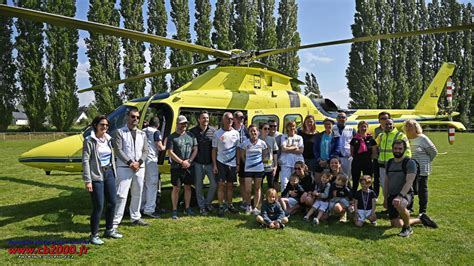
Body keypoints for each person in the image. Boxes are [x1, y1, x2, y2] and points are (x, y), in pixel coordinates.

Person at [384, 140, 438, 237]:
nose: (397, 151)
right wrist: (385, 198)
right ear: (392, 149)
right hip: (392, 195)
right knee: (396, 224)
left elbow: (409, 181)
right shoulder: (389, 163)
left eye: (400, 149)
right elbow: (386, 182)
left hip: (405, 194)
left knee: (399, 204)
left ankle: (407, 228)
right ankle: (421, 219)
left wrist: (400, 196)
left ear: (404, 150)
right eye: (395, 148)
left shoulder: (410, 163)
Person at [82, 115, 122, 245]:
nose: (104, 127)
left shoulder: (109, 139)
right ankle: (94, 235)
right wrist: (88, 180)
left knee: (112, 202)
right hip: (96, 176)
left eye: (106, 125)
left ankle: (109, 229)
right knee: (98, 206)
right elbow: (85, 161)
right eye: (102, 125)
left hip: (109, 173)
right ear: (95, 125)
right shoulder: (89, 140)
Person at [113, 107, 149, 228]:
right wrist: (130, 163)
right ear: (127, 117)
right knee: (121, 195)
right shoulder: (120, 132)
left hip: (139, 168)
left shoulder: (142, 133)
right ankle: (115, 221)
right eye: (133, 116)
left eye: (137, 117)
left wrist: (138, 162)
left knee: (138, 193)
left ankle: (135, 217)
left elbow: (145, 151)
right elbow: (118, 150)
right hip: (124, 167)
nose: (135, 119)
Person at [167, 115, 198, 220]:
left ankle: (187, 207)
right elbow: (170, 152)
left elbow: (195, 149)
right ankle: (174, 210)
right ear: (177, 124)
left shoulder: (191, 135)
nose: (184, 125)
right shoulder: (172, 137)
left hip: (189, 166)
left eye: (185, 123)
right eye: (182, 123)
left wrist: (189, 161)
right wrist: (181, 162)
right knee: (176, 188)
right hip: (176, 167)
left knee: (188, 187)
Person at [403, 119, 438, 215]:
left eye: (411, 126)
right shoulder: (405, 138)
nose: (409, 128)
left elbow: (433, 152)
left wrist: (426, 161)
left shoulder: (423, 138)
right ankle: (409, 208)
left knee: (422, 189)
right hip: (410, 169)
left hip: (422, 168)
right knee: (410, 189)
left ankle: (422, 211)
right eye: (407, 126)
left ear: (416, 127)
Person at [212, 112, 241, 217]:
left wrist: (238, 164)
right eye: (228, 119)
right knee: (221, 185)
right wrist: (214, 165)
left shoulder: (236, 133)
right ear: (223, 120)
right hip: (221, 163)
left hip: (232, 164)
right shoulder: (217, 133)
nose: (230, 121)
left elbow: (238, 149)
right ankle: (220, 206)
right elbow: (214, 150)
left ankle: (230, 205)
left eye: (231, 119)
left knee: (230, 186)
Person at [377, 119, 411, 203]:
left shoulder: (400, 135)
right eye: (386, 124)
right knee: (385, 186)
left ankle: (403, 203)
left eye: (390, 124)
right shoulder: (381, 135)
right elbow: (374, 146)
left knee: (396, 186)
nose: (388, 126)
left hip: (396, 165)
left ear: (393, 124)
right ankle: (388, 204)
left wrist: (406, 164)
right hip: (383, 165)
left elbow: (407, 151)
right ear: (382, 125)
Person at [189, 110, 217, 215]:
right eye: (203, 118)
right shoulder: (192, 131)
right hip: (198, 163)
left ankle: (207, 203)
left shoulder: (213, 131)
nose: (206, 120)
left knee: (214, 184)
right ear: (199, 119)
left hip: (210, 163)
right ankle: (202, 207)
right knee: (199, 186)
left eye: (207, 118)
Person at [239, 124, 267, 215]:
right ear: (249, 133)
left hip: (259, 169)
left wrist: (259, 162)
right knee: (248, 189)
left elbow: (264, 155)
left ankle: (255, 207)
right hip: (248, 169)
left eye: (255, 131)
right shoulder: (245, 143)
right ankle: (248, 205)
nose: (253, 133)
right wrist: (248, 163)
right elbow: (242, 156)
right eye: (251, 131)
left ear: (258, 132)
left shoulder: (262, 143)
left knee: (257, 188)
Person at [142, 117, 166, 218]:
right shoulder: (156, 132)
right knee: (152, 184)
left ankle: (142, 206)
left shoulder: (142, 131)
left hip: (141, 160)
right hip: (151, 159)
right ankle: (150, 209)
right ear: (158, 125)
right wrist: (166, 145)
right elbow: (160, 147)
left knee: (143, 185)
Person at [350, 121, 377, 193]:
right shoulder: (354, 139)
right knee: (355, 180)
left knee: (368, 181)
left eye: (365, 126)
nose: (363, 128)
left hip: (367, 162)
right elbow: (352, 152)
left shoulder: (371, 139)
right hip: (356, 162)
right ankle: (354, 196)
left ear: (367, 128)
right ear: (358, 128)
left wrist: (369, 159)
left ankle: (370, 195)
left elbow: (374, 152)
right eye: (361, 126)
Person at [279, 121, 304, 192]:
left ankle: (293, 198)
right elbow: (283, 149)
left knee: (296, 182)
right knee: (284, 182)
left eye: (293, 126)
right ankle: (284, 198)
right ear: (287, 127)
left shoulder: (299, 138)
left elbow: (301, 151)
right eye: (290, 126)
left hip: (297, 163)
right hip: (286, 162)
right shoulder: (284, 136)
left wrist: (289, 148)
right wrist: (295, 147)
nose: (292, 128)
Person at [372, 112, 391, 197]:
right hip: (378, 157)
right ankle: (375, 195)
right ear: (379, 120)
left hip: (388, 159)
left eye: (386, 118)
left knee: (388, 179)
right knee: (376, 178)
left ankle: (387, 197)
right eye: (382, 119)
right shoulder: (377, 130)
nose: (384, 120)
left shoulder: (393, 130)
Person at [332, 112, 356, 179]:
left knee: (347, 177)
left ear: (346, 119)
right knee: (336, 177)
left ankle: (347, 189)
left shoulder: (351, 129)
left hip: (347, 157)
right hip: (336, 157)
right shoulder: (332, 128)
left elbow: (356, 143)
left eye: (343, 117)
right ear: (336, 119)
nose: (341, 119)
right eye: (339, 117)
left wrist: (353, 155)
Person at [233, 111, 249, 209]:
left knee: (243, 180)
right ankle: (227, 202)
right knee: (228, 182)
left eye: (242, 118)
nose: (240, 120)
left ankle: (245, 201)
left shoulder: (247, 131)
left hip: (244, 159)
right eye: (238, 118)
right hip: (231, 159)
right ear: (234, 119)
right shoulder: (229, 130)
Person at [259, 122, 278, 189]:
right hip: (260, 166)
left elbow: (275, 153)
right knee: (259, 186)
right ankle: (259, 199)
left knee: (271, 185)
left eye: (268, 129)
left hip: (270, 166)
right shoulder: (257, 139)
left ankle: (271, 198)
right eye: (265, 129)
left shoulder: (272, 139)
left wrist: (275, 166)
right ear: (260, 130)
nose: (267, 130)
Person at [268, 119, 282, 190]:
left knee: (275, 180)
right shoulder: (264, 135)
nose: (273, 127)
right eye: (271, 126)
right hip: (267, 161)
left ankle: (274, 194)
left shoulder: (280, 136)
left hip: (277, 161)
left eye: (275, 126)